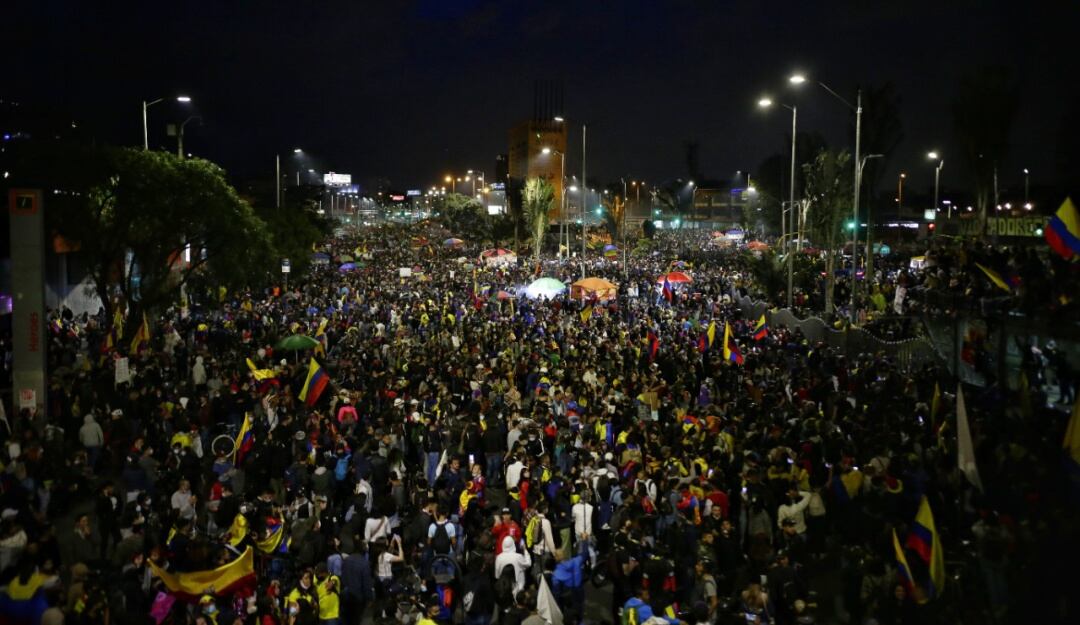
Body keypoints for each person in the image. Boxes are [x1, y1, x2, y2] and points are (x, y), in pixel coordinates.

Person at [341, 542, 373, 625]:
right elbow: (366, 583)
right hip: (358, 597)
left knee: (346, 619)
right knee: (356, 620)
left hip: (346, 595)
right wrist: (369, 598)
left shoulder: (346, 560)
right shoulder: (364, 563)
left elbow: (343, 577)